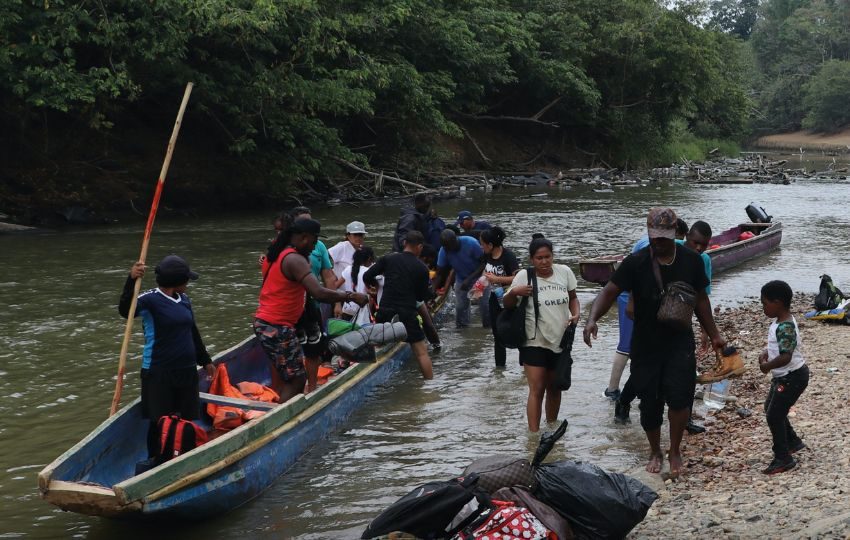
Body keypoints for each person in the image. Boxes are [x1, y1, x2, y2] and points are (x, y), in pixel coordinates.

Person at [583, 208, 726, 479]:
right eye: (654, 236)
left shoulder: (692, 261)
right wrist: (592, 319)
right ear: (648, 233)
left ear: (675, 234)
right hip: (645, 343)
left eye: (664, 237)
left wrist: (714, 333)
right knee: (649, 402)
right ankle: (654, 450)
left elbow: (701, 300)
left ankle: (674, 450)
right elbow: (609, 291)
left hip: (679, 342)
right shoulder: (635, 262)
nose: (658, 242)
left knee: (680, 399)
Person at [255, 218, 368, 401]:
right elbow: (319, 292)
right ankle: (284, 415)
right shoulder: (294, 259)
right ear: (304, 237)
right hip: (277, 325)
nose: (315, 246)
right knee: (298, 378)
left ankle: (282, 403)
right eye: (314, 241)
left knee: (290, 373)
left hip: (268, 322)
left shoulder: (277, 253)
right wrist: (351, 296)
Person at [118, 255, 214, 458]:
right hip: (159, 371)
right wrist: (131, 279)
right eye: (186, 280)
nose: (188, 284)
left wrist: (205, 361)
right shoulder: (149, 300)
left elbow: (192, 332)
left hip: (186, 370)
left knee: (185, 418)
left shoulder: (184, 300)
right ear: (177, 281)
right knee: (159, 421)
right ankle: (156, 459)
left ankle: (182, 455)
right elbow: (126, 311)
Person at [503, 234, 579, 432]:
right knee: (536, 390)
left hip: (560, 340)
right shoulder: (523, 276)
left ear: (552, 256)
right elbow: (507, 304)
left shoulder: (564, 272)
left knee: (555, 388)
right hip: (533, 341)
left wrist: (576, 314)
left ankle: (551, 429)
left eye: (548, 257)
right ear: (531, 260)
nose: (544, 262)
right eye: (539, 258)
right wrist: (514, 292)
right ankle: (534, 436)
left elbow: (573, 298)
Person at [364, 231, 434, 379]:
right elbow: (421, 296)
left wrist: (373, 287)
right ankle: (429, 386)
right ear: (420, 247)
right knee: (422, 352)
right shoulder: (422, 268)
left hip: (385, 311)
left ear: (404, 243)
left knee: (378, 346)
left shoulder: (388, 259)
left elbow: (367, 276)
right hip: (407, 313)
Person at [759, 280, 809, 475]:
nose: (763, 307)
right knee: (770, 408)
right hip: (784, 377)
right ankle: (792, 441)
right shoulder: (779, 322)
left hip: (792, 377)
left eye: (765, 303)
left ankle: (783, 457)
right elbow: (778, 347)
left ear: (778, 302)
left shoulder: (786, 326)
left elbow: (786, 356)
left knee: (774, 415)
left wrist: (766, 366)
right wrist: (766, 352)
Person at [479, 226, 520, 367]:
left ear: (490, 245)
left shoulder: (508, 256)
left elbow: (518, 278)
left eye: (482, 244)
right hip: (494, 299)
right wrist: (480, 283)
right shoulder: (487, 255)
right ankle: (499, 371)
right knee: (497, 335)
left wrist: (497, 280)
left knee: (517, 332)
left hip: (510, 299)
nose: (481, 247)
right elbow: (486, 272)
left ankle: (524, 368)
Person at [434, 229, 484, 328]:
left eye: (450, 246)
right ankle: (463, 333)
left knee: (484, 306)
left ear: (456, 239)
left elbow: (484, 263)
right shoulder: (444, 251)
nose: (449, 249)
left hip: (480, 278)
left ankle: (487, 330)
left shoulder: (471, 243)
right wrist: (433, 290)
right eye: (446, 247)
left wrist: (470, 279)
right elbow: (440, 273)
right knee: (460, 309)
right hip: (461, 279)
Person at [339, 247, 376, 326]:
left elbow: (335, 286)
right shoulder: (369, 272)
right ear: (369, 259)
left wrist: (337, 304)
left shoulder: (348, 269)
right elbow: (370, 296)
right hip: (362, 311)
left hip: (347, 310)